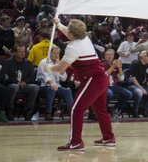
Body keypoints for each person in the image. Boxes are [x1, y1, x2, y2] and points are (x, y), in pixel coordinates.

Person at [42, 18, 115, 151]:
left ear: (72, 33)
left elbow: (60, 68)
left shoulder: (73, 47)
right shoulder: (85, 38)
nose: (66, 30)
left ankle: (76, 142)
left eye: (68, 28)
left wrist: (48, 68)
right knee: (100, 110)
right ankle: (109, 138)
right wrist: (58, 24)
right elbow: (67, 31)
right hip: (101, 78)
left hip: (93, 80)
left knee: (76, 109)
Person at [0, 45, 39, 121]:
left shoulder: (29, 63)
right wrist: (16, 82)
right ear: (14, 53)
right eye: (20, 52)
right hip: (10, 85)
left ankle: (28, 110)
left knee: (35, 87)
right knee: (14, 86)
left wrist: (25, 82)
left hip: (24, 86)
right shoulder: (8, 62)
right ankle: (9, 110)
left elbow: (31, 77)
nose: (22, 53)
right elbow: (2, 76)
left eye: (23, 52)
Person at [37, 46, 74, 121]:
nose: (56, 55)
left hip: (57, 86)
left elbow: (64, 79)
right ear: (50, 53)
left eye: (58, 54)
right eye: (54, 53)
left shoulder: (59, 64)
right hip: (44, 86)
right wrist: (51, 83)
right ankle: (48, 113)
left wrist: (61, 68)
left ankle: (72, 113)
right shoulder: (44, 62)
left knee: (67, 90)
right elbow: (45, 76)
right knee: (51, 89)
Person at [127, 51, 148, 117]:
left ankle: (145, 110)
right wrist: (141, 88)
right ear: (143, 57)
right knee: (139, 92)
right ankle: (135, 111)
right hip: (132, 86)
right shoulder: (135, 64)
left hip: (143, 86)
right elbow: (132, 78)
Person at [101, 48, 133, 118]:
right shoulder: (101, 64)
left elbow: (121, 79)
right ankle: (104, 110)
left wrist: (120, 68)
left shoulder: (115, 64)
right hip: (103, 86)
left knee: (128, 94)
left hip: (113, 86)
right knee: (109, 93)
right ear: (104, 55)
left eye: (111, 55)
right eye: (108, 55)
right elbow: (104, 75)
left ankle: (115, 109)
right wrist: (112, 67)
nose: (110, 56)